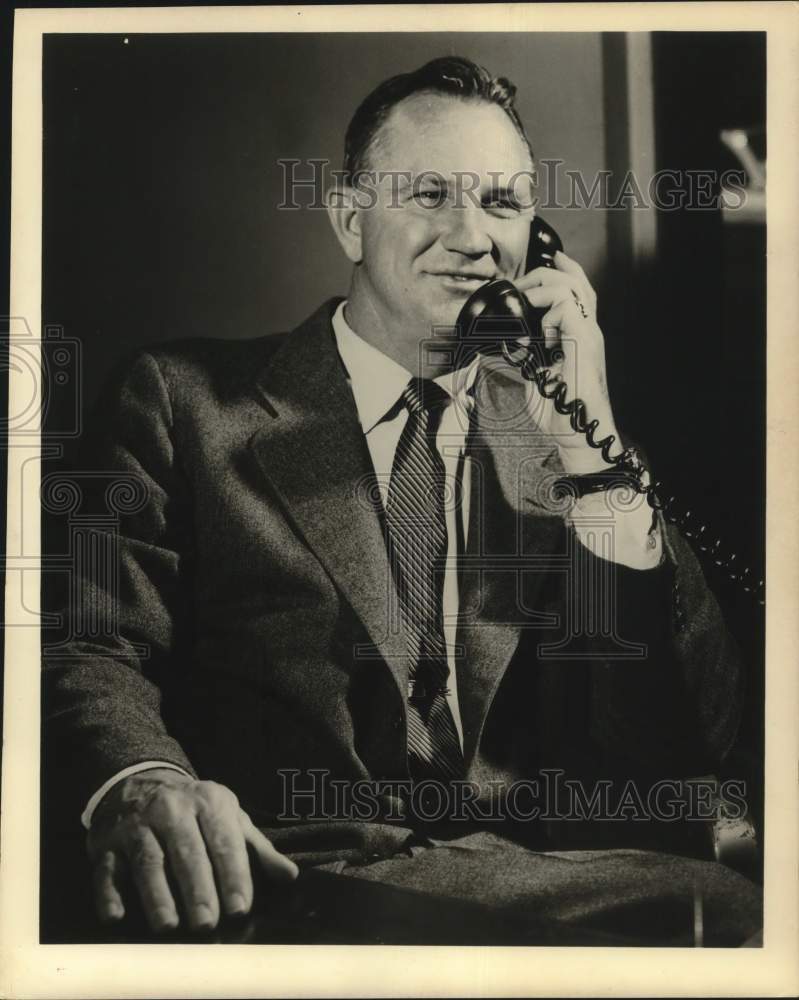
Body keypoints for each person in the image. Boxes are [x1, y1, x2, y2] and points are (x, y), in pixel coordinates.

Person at [43, 56, 761, 945]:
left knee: (744, 915)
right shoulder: (182, 401)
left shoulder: (573, 439)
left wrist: (596, 466)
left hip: (531, 882)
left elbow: (695, 742)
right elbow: (83, 641)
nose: (471, 236)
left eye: (501, 203)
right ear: (350, 218)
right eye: (428, 194)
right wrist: (143, 780)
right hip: (283, 872)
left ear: (536, 239)